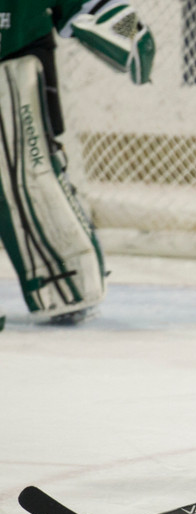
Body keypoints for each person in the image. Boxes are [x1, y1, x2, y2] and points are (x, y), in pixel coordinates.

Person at [0, 1, 155, 325]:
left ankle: (64, 282)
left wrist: (129, 29)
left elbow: (90, 5)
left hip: (21, 54)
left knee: (32, 174)